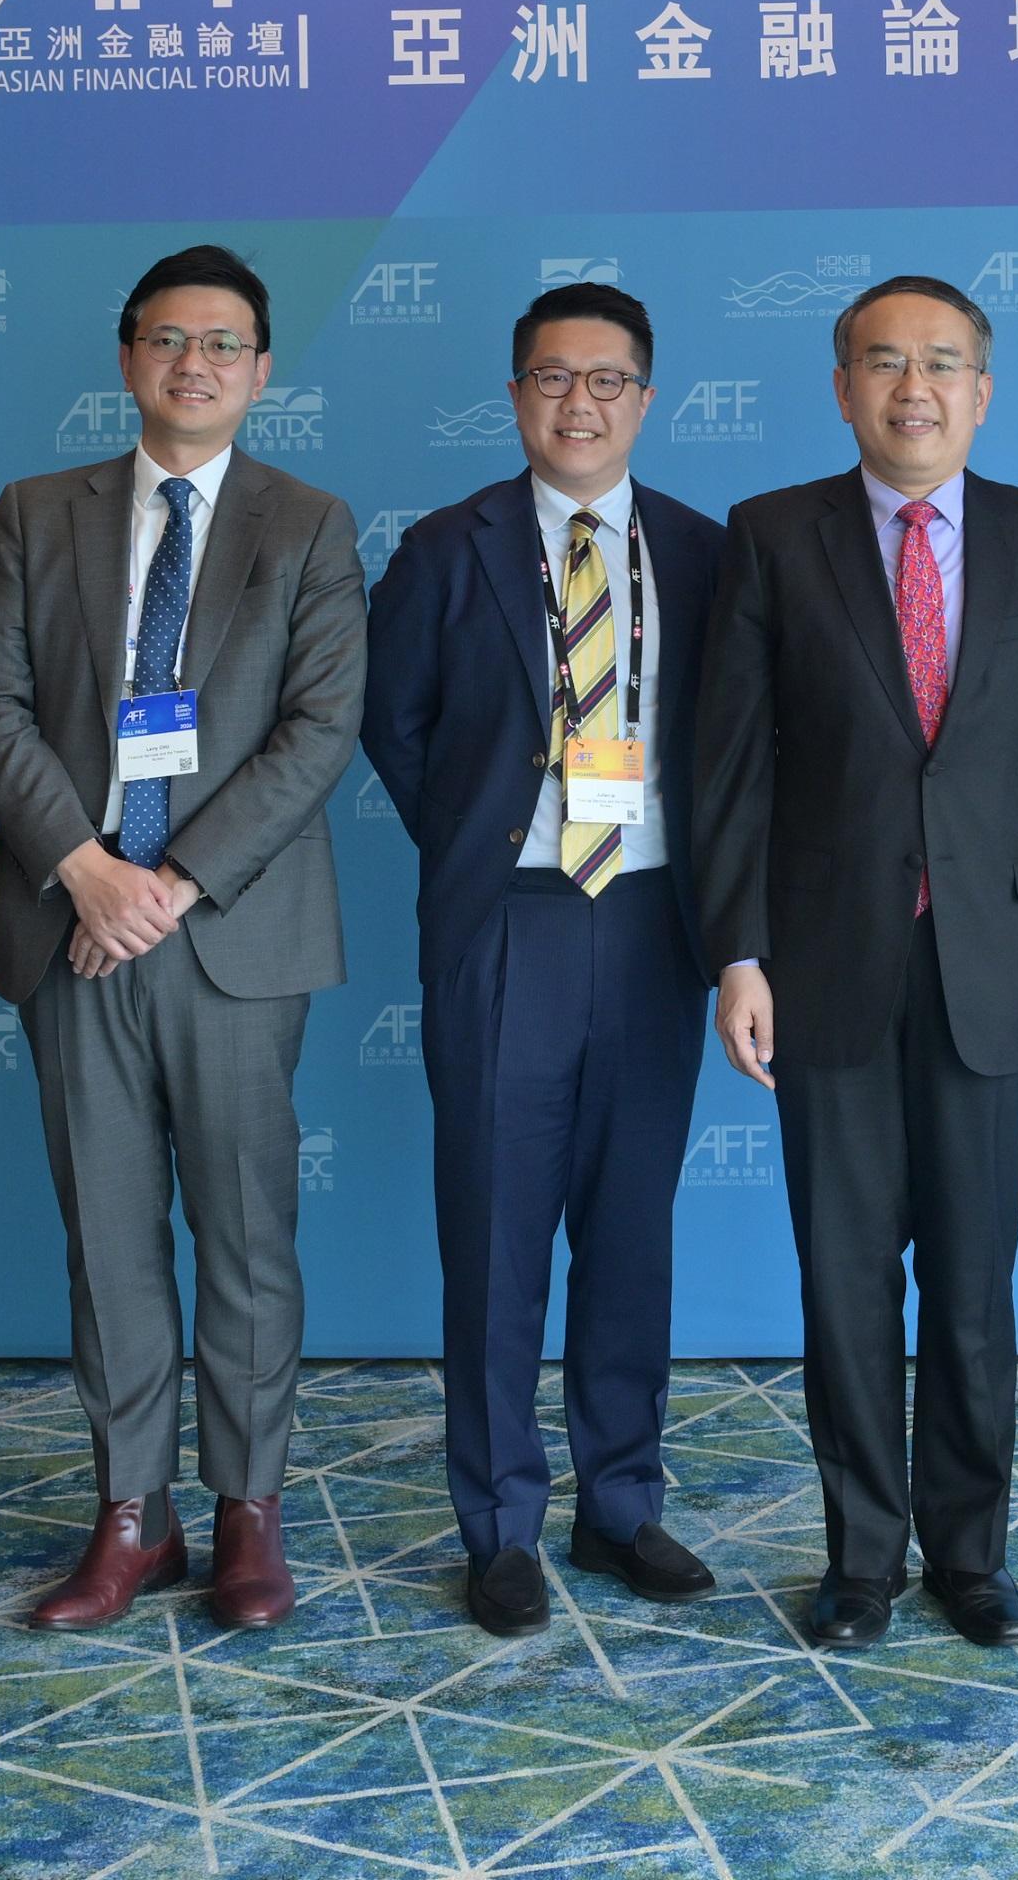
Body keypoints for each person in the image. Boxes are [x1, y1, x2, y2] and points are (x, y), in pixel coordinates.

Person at [694, 274, 1018, 1650]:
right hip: (824, 965)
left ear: (983, 391)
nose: (914, 388)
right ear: (842, 389)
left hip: (1000, 971)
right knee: (842, 1280)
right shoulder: (772, 537)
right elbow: (732, 767)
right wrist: (738, 952)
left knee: (976, 1282)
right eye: (884, 362)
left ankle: (972, 1553)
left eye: (943, 363)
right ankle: (862, 1559)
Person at [0, 242, 368, 1634]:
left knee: (249, 1235)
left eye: (226, 344)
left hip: (229, 935)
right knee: (108, 1238)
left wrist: (169, 882)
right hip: (74, 927)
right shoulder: (34, 511)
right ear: (129, 357)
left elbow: (319, 732)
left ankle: (250, 1510)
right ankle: (134, 1515)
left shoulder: (308, 524)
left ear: (260, 370)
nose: (196, 365)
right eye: (170, 340)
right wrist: (85, 869)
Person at [363, 280, 727, 1637]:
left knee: (630, 1237)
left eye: (607, 380)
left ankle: (621, 1503)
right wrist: (482, 842)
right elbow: (393, 726)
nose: (580, 403)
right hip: (508, 923)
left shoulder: (701, 552)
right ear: (515, 395)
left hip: (649, 925)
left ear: (646, 396)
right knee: (498, 1236)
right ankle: (500, 1521)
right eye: (552, 379)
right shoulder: (445, 549)